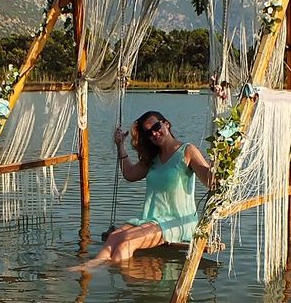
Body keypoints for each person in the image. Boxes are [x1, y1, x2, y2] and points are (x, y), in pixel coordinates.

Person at [77, 110, 212, 267]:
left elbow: (210, 181)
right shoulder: (153, 158)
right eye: (149, 133)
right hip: (152, 219)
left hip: (178, 222)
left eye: (156, 126)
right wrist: (120, 146)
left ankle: (118, 280)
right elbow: (130, 174)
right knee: (113, 237)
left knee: (126, 243)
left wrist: (219, 165)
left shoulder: (187, 151)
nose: (154, 133)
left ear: (166, 124)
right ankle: (88, 269)